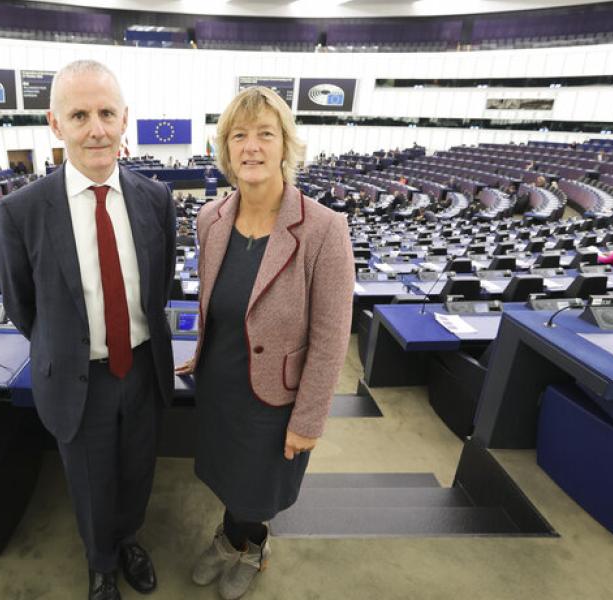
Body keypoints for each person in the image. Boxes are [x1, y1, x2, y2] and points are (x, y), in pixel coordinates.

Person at [0, 60, 175, 600]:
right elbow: (22, 307)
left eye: (106, 113)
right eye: (80, 115)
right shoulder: (20, 211)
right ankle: (99, 564)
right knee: (90, 483)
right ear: (55, 123)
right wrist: (69, 348)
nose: (96, 128)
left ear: (125, 120)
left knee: (138, 470)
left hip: (142, 366)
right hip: (77, 376)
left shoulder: (156, 199)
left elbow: (158, 288)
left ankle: (128, 541)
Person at [175, 86, 353, 600]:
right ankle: (231, 536)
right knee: (226, 474)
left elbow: (330, 337)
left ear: (285, 146)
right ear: (226, 149)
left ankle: (250, 546)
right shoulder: (210, 219)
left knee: (257, 488)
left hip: (275, 397)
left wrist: (309, 419)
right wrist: (202, 352)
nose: (251, 147)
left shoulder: (324, 229)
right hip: (221, 382)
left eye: (265, 135)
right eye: (239, 136)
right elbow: (215, 302)